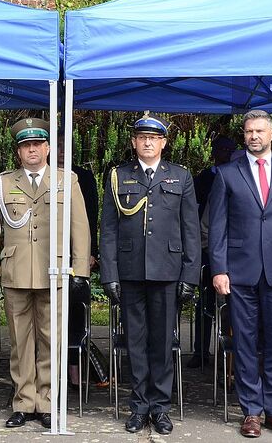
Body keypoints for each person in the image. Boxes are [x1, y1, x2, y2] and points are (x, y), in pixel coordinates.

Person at [0, 117, 90, 429]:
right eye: (25, 145)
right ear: (18, 151)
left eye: (37, 144)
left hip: (52, 271)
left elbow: (79, 228)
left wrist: (79, 269)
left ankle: (47, 402)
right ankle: (23, 401)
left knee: (51, 340)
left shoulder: (66, 180)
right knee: (20, 343)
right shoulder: (3, 183)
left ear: (48, 148)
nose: (31, 150)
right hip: (15, 272)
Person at [209, 109, 272, 439]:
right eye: (249, 131)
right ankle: (251, 411)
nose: (254, 136)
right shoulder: (226, 174)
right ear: (244, 135)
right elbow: (218, 228)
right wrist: (219, 268)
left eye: (260, 131)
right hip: (240, 272)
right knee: (246, 343)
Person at [100, 113, 200, 435]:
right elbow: (109, 229)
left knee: (162, 342)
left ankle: (160, 408)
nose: (147, 142)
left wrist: (190, 274)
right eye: (141, 137)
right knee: (135, 342)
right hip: (130, 272)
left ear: (163, 143)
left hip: (167, 272)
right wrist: (109, 273)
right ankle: (139, 405)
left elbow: (191, 230)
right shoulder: (118, 176)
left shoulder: (180, 177)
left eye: (154, 138)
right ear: (133, 142)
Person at [55, 128, 100, 387]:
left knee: (75, 314)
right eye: (57, 145)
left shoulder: (82, 177)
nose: (62, 151)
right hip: (46, 256)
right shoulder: (43, 176)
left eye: (66, 145)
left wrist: (89, 254)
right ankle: (51, 371)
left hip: (76, 256)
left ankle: (74, 369)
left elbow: (90, 218)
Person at [189, 135, 236, 369]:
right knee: (205, 305)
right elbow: (200, 221)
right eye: (223, 149)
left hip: (239, 258)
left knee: (235, 308)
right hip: (210, 252)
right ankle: (200, 351)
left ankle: (228, 357)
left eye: (231, 149)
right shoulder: (203, 180)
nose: (227, 153)